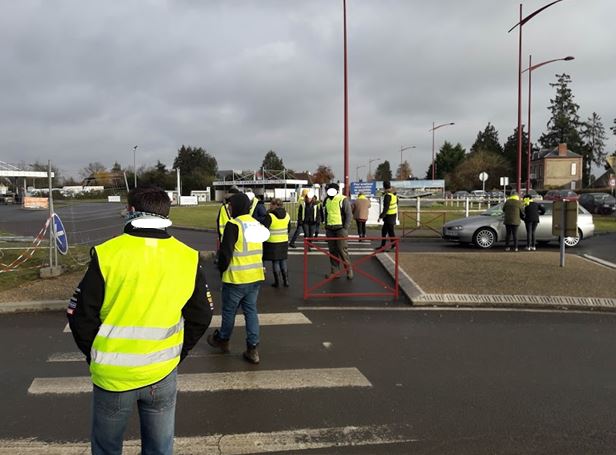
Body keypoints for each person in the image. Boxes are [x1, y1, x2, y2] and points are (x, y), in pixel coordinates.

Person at [67, 185, 213, 455]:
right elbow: (202, 315)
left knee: (106, 449)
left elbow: (80, 315)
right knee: (159, 449)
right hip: (162, 373)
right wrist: (179, 353)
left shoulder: (107, 253)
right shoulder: (188, 257)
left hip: (113, 376)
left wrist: (95, 353)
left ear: (130, 211)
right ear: (166, 213)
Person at [207, 192, 270, 364]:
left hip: (236, 278)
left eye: (231, 205)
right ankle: (253, 348)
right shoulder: (256, 224)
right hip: (255, 276)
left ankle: (223, 340)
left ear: (236, 207)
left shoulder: (233, 225)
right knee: (251, 312)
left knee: (229, 312)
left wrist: (221, 268)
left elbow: (225, 254)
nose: (229, 208)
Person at [322, 182, 353, 279]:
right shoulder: (327, 200)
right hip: (330, 229)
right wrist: (326, 226)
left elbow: (349, 215)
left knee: (342, 250)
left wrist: (345, 228)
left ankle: (349, 270)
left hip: (340, 229)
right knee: (332, 251)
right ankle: (335, 271)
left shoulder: (343, 199)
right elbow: (326, 213)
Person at [262, 198, 291, 288]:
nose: (270, 205)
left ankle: (277, 282)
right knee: (283, 260)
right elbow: (289, 228)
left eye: (271, 204)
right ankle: (286, 281)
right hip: (283, 241)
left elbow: (264, 228)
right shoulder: (287, 215)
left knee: (275, 262)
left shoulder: (270, 216)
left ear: (275, 205)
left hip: (272, 242)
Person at [376, 181, 398, 251]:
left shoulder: (388, 196)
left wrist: (381, 216)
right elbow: (397, 202)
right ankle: (383, 246)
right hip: (393, 214)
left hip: (389, 216)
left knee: (390, 232)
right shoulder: (394, 194)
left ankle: (394, 246)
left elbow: (386, 208)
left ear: (384, 187)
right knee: (384, 231)